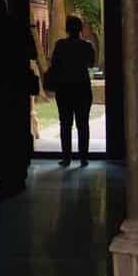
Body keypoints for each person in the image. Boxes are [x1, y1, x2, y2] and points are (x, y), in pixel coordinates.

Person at [0, 0, 37, 201]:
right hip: (18, 85)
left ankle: (9, 177)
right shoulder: (19, 27)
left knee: (6, 133)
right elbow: (32, 53)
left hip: (4, 86)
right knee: (17, 130)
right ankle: (17, 175)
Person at [48, 16, 96, 168]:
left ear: (67, 29)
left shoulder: (60, 45)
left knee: (65, 124)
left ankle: (66, 157)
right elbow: (91, 63)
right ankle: (83, 157)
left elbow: (54, 64)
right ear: (80, 29)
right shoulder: (86, 46)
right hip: (82, 88)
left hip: (65, 89)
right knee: (83, 124)